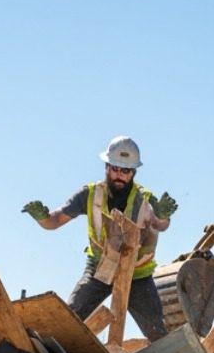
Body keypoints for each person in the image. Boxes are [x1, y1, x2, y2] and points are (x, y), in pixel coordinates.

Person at [22, 135, 178, 339]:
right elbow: (55, 220)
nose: (119, 175)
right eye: (115, 169)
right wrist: (42, 218)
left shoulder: (146, 198)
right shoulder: (89, 194)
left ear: (133, 172)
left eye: (126, 171)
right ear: (107, 166)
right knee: (71, 319)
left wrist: (163, 215)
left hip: (137, 275)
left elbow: (160, 224)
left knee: (158, 333)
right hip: (100, 268)